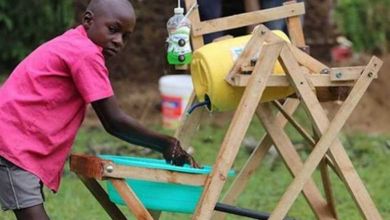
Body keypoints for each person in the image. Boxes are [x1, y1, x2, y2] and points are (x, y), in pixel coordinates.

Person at [0, 0, 199, 219]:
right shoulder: (85, 53)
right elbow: (113, 121)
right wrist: (166, 144)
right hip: (12, 144)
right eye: (113, 30)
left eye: (125, 36)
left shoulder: (73, 43)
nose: (118, 41)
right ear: (88, 20)